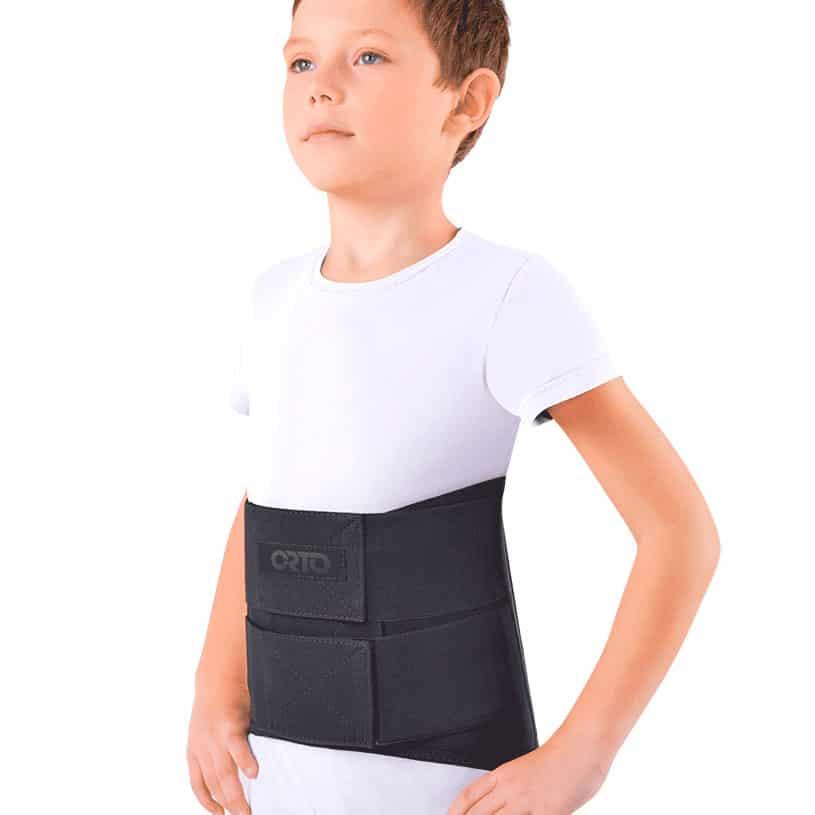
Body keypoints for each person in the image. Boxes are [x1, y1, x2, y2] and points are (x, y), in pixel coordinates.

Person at [187, 1, 720, 813]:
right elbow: (270, 507)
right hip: (274, 778)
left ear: (467, 100)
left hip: (443, 785)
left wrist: (580, 754)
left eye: (367, 57)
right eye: (301, 62)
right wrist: (214, 688)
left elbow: (678, 532)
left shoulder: (507, 293)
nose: (321, 86)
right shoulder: (272, 298)